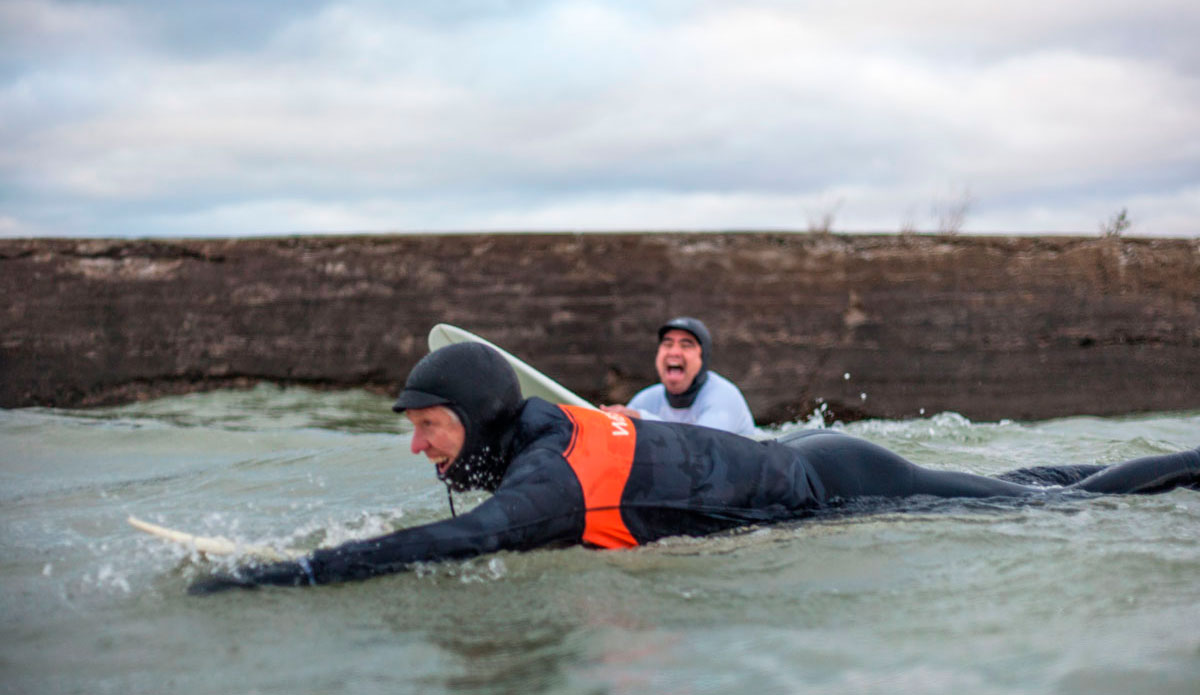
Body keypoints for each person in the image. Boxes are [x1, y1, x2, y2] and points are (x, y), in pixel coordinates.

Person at [190, 343, 1200, 592]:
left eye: (429, 425)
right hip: (792, 459)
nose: (418, 444)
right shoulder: (537, 427)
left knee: (1048, 509)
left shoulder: (547, 480)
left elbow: (465, 540)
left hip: (834, 483)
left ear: (481, 417)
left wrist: (295, 571)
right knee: (1032, 485)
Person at [601, 317, 758, 437]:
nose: (674, 352)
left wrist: (642, 420)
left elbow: (702, 448)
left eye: (686, 345)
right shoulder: (646, 400)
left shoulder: (724, 396)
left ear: (702, 358)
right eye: (667, 344)